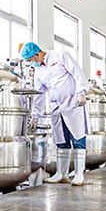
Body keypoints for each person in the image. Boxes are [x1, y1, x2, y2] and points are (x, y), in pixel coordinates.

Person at [20, 42, 90, 186]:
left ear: (37, 54)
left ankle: (79, 174)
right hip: (56, 107)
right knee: (61, 140)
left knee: (77, 138)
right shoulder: (39, 71)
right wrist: (35, 115)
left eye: (31, 60)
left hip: (73, 103)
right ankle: (62, 173)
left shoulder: (60, 55)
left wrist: (82, 92)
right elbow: (39, 94)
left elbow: (77, 72)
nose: (31, 63)